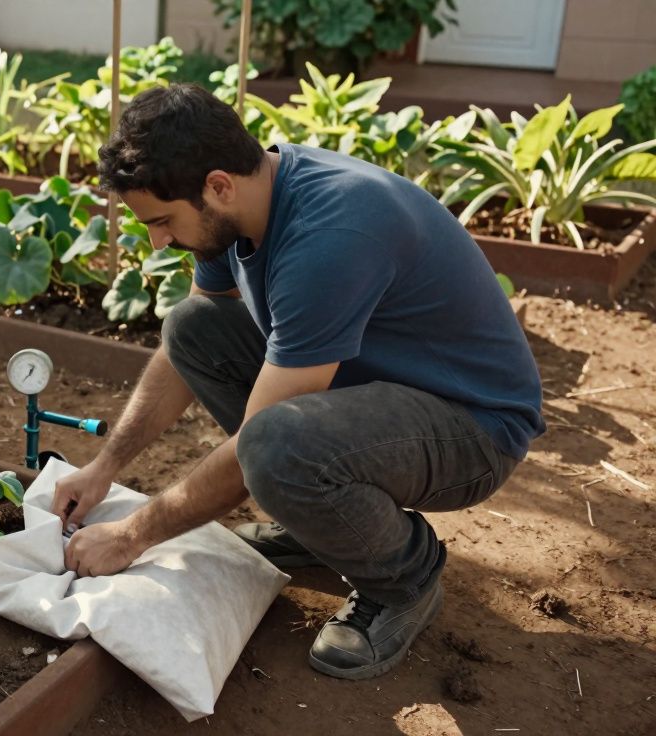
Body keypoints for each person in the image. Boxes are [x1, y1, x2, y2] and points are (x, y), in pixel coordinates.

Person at [51, 84, 544, 681]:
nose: (158, 239)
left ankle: (403, 577)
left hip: (473, 427)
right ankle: (325, 525)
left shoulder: (330, 236)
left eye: (162, 221)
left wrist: (130, 536)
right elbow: (187, 351)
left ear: (217, 186)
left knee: (276, 449)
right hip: (380, 392)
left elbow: (256, 443)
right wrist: (104, 467)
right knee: (191, 327)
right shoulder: (241, 209)